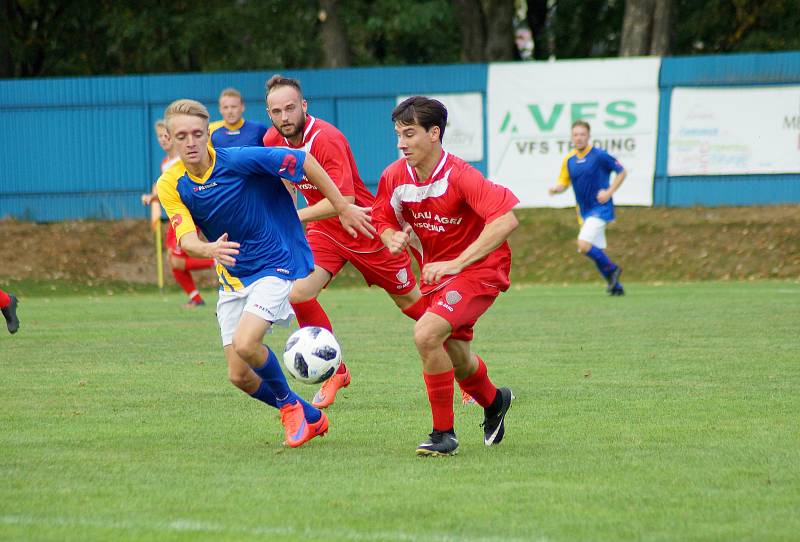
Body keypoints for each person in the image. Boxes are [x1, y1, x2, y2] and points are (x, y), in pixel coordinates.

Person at [156, 99, 374, 448]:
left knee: (246, 344)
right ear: (168, 138)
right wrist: (209, 249)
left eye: (198, 133)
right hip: (233, 275)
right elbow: (185, 240)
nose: (191, 142)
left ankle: (290, 409)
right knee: (239, 375)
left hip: (275, 261)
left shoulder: (240, 158)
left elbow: (305, 162)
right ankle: (311, 416)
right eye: (182, 136)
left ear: (207, 132)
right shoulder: (170, 183)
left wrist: (343, 206)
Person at [263, 75, 425, 409]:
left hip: (364, 227)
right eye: (276, 111)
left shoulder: (327, 139)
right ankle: (336, 368)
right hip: (325, 231)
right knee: (299, 293)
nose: (284, 117)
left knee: (417, 309)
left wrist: (292, 219)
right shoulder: (271, 139)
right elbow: (286, 183)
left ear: (304, 106)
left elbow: (345, 199)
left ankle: (464, 373)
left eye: (290, 108)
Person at [372, 96, 519, 457]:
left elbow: (506, 219)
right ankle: (494, 400)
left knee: (425, 334)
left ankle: (443, 435)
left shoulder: (461, 175)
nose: (401, 143)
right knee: (457, 358)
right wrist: (391, 237)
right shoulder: (394, 177)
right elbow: (382, 220)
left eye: (409, 134)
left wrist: (457, 263)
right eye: (398, 135)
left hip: (479, 270)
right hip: (438, 276)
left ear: (434, 133)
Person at [141, 119, 215, 308]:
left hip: (187, 215)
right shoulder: (165, 163)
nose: (163, 140)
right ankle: (196, 297)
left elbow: (186, 188)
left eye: (167, 136)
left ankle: (217, 259)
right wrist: (154, 197)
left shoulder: (183, 160)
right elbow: (169, 190)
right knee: (172, 260)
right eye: (160, 136)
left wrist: (153, 197)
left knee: (178, 261)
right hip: (175, 215)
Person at [549, 120, 627, 295]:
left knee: (583, 245)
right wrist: (556, 189)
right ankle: (616, 287)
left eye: (582, 134)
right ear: (572, 137)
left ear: (588, 136)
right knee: (595, 250)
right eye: (576, 134)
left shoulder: (599, 155)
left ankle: (613, 270)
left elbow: (622, 172)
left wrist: (609, 191)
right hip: (583, 212)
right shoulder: (569, 160)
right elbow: (563, 182)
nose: (579, 138)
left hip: (600, 208)